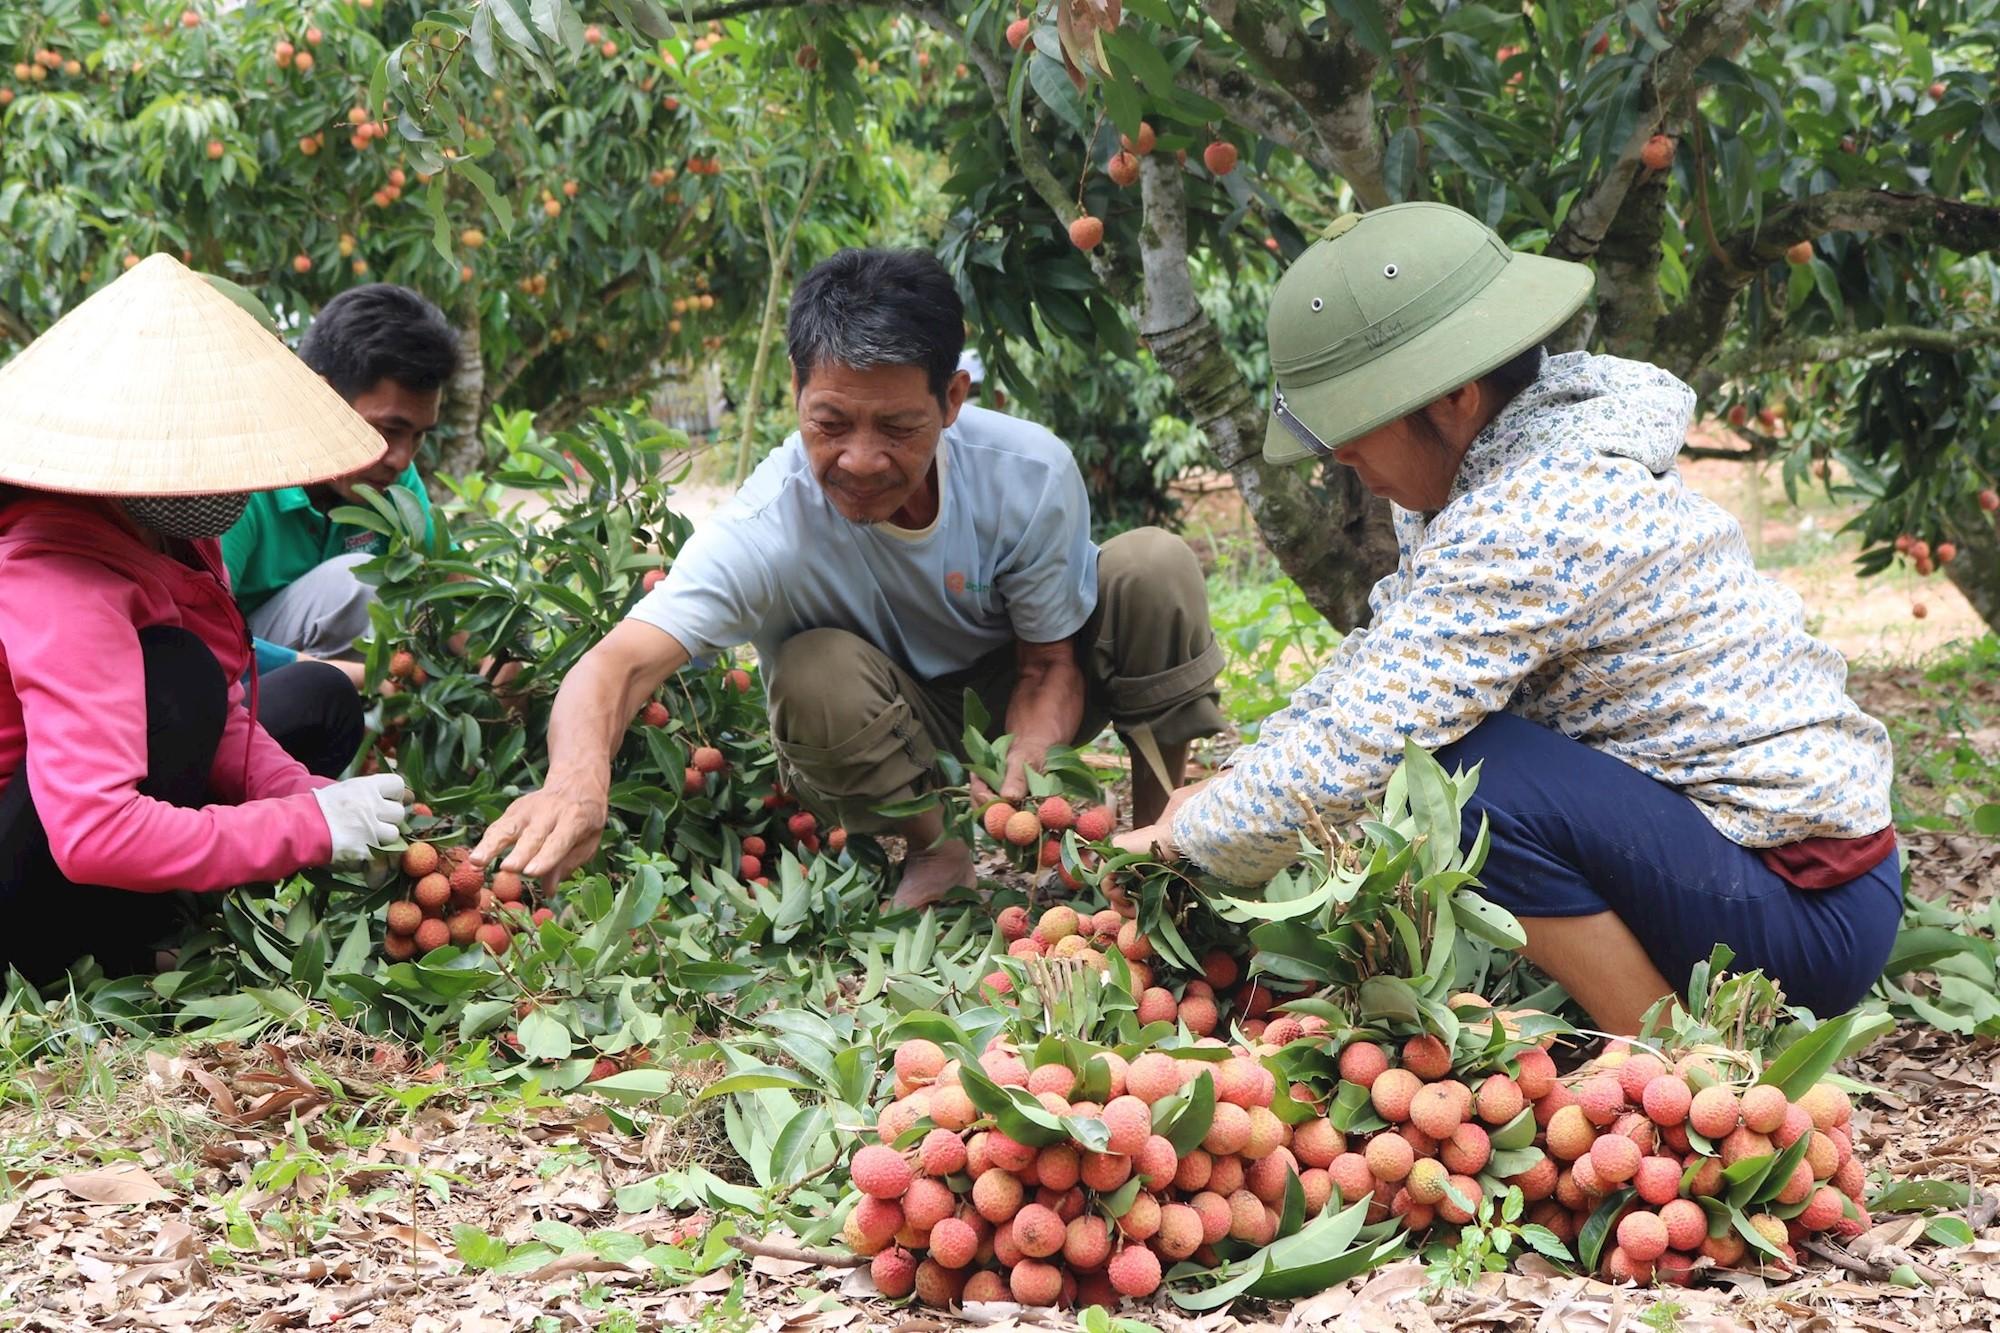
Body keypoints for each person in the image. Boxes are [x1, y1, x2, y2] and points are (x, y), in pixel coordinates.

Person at [1119, 203, 1900, 1034]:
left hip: (1807, 904)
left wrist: (1185, 844)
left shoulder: (1537, 512)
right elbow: (1379, 660)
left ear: (1453, 396)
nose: (1337, 456)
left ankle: (1672, 1058)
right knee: (1442, 765)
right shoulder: (1489, 468)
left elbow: (1364, 741)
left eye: (1349, 427)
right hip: (1754, 862)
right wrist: (1233, 784)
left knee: (1452, 779)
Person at [473, 248, 1226, 907]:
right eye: (830, 424)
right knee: (808, 670)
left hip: (1019, 685)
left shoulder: (1026, 475)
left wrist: (1029, 750)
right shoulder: (771, 522)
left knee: (1152, 565)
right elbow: (618, 663)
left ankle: (1166, 836)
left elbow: (1049, 661)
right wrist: (575, 776)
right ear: (796, 392)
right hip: (888, 728)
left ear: (953, 400)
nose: (861, 460)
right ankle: (935, 851)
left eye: (898, 428)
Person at [0, 255, 412, 985]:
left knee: (308, 697)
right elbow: (93, 830)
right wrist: (301, 829)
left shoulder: (174, 529)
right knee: (179, 673)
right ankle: (85, 951)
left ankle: (153, 917)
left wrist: (316, 799)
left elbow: (222, 721)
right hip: (33, 859)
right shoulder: (54, 568)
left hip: (68, 813)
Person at [221, 284, 461, 685]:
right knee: (356, 583)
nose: (402, 458)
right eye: (388, 429)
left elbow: (449, 578)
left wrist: (500, 658)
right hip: (233, 681)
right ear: (321, 397)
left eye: (418, 436)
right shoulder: (242, 474)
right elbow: (200, 635)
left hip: (328, 684)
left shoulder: (390, 476)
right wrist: (340, 675)